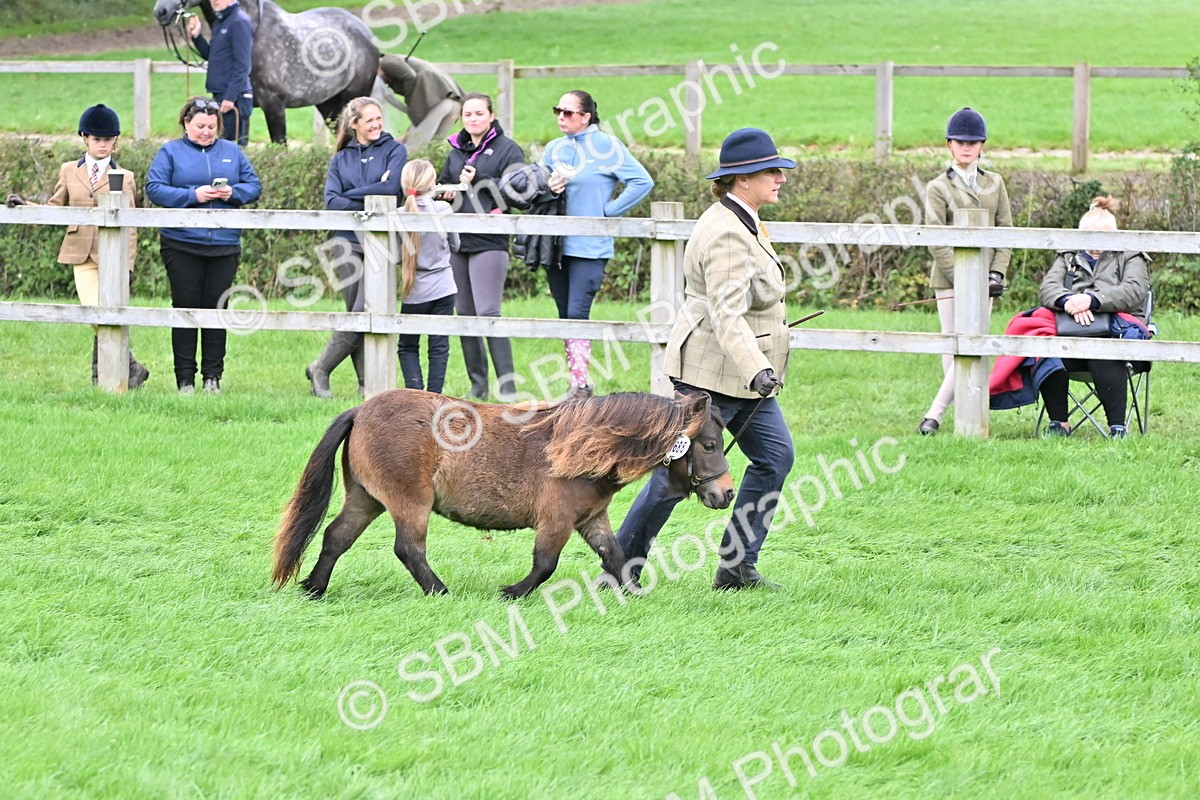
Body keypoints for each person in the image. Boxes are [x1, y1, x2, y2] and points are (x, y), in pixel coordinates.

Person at [614, 128, 795, 591]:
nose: (781, 178)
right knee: (674, 479)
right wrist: (759, 369)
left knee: (774, 457)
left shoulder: (743, 218)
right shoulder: (727, 233)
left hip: (739, 376)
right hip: (710, 375)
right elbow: (726, 314)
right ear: (743, 179)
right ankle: (619, 571)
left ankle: (736, 568)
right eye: (772, 172)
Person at [5, 104, 148, 389]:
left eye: (108, 140)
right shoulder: (69, 170)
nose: (103, 145)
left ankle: (113, 377)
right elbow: (55, 207)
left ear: (115, 141)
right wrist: (26, 206)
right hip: (81, 254)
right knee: (95, 312)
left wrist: (128, 263)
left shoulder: (126, 176)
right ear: (85, 138)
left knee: (108, 314)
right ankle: (132, 366)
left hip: (114, 255)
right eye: (97, 139)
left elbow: (130, 225)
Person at [146, 97, 262, 394]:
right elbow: (155, 189)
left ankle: (213, 377)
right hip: (181, 243)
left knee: (217, 309)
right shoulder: (170, 152)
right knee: (184, 309)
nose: (207, 132)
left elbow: (254, 187)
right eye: (200, 126)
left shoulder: (232, 152)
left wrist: (232, 193)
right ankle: (185, 379)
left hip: (224, 244)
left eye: (212, 126)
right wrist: (192, 195)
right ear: (186, 124)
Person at [541, 89, 654, 394]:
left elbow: (642, 181)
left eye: (568, 112)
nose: (561, 117)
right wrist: (548, 188)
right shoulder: (553, 148)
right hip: (556, 246)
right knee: (565, 317)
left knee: (578, 315)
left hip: (590, 247)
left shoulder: (606, 145)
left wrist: (609, 211)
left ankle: (580, 386)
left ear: (586, 116)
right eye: (557, 111)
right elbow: (536, 187)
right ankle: (577, 381)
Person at [918, 107, 1013, 435]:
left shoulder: (995, 183)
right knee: (953, 345)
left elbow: (1006, 231)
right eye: (960, 142)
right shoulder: (937, 187)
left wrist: (996, 273)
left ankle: (935, 414)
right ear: (949, 145)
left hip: (986, 279)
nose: (966, 147)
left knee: (973, 342)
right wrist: (965, 278)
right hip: (949, 278)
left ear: (982, 145)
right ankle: (960, 413)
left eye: (972, 142)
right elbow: (935, 239)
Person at [307, 96, 407, 398]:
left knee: (366, 309)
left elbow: (392, 190)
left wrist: (351, 194)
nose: (377, 124)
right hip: (345, 241)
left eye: (379, 118)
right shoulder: (341, 159)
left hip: (382, 242)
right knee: (356, 312)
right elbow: (331, 202)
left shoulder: (395, 150)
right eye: (369, 120)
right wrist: (369, 196)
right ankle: (366, 383)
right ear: (354, 124)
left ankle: (321, 367)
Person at [1037, 196, 1150, 438]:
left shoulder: (1131, 254)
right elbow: (1048, 288)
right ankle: (1058, 423)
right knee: (1046, 351)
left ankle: (1117, 427)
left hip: (1118, 338)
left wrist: (1093, 301)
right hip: (1069, 332)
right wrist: (1069, 302)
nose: (1096, 245)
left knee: (1102, 352)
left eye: (1104, 237)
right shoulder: (1067, 255)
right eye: (1090, 238)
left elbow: (1134, 290)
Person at [438, 92, 526, 401]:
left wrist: (482, 178)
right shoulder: (455, 151)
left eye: (479, 113)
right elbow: (444, 184)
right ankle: (478, 385)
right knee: (464, 312)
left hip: (490, 240)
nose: (473, 119)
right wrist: (445, 193)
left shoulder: (508, 149)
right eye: (468, 114)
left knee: (488, 312)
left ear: (491, 116)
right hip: (458, 240)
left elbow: (522, 191)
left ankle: (508, 388)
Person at [397, 159, 458, 394]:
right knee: (439, 346)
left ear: (405, 184)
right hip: (444, 286)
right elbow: (456, 244)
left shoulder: (398, 214)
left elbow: (394, 256)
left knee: (408, 346)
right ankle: (435, 397)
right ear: (432, 184)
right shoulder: (444, 210)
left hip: (414, 288)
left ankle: (414, 394)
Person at [186, 0, 253, 147]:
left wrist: (230, 97)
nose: (214, 0)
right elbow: (213, 56)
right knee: (221, 147)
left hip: (235, 98)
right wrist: (197, 36)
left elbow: (243, 66)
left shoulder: (239, 21)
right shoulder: (221, 21)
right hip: (221, 95)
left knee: (234, 148)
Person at [377, 55, 464, 151]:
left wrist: (412, 110)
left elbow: (410, 77)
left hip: (435, 101)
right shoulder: (396, 62)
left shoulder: (387, 62)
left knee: (413, 150)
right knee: (432, 150)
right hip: (452, 101)